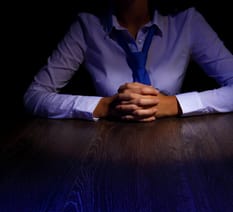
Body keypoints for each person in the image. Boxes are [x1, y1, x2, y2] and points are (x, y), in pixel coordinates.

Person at [23, 0, 233, 123]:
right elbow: (34, 96)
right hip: (106, 153)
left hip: (172, 151)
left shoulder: (187, 22)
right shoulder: (87, 26)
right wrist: (102, 106)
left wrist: (174, 104)